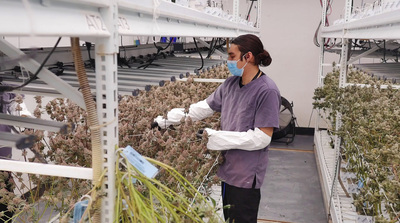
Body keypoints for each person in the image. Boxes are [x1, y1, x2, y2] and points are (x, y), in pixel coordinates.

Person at [153, 34, 281, 223]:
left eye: (231, 56)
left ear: (248, 57)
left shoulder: (267, 90)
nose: (228, 61)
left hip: (245, 173)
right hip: (227, 167)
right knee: (229, 218)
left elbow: (262, 138)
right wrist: (166, 120)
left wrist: (215, 137)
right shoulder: (230, 85)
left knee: (242, 219)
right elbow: (202, 108)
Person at [0, 81, 32, 223]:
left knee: (5, 206)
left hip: (3, 157)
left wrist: (25, 120)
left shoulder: (4, 80)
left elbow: (15, 103)